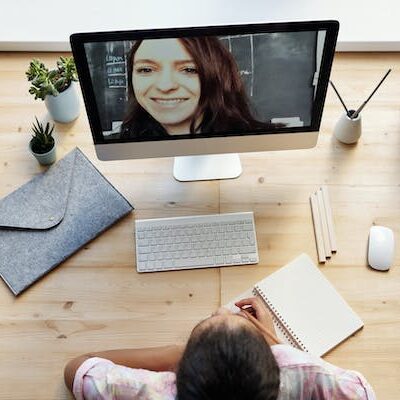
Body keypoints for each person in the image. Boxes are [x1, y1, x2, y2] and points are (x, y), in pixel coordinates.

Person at [64, 297, 376, 400]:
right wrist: (276, 345)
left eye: (212, 319)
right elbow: (361, 392)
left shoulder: (154, 392)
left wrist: (178, 354)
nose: (225, 311)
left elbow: (78, 369)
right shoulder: (310, 379)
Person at [119, 36, 278, 140]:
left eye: (189, 70)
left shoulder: (262, 143)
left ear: (217, 77)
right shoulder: (120, 149)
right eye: (146, 70)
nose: (165, 86)